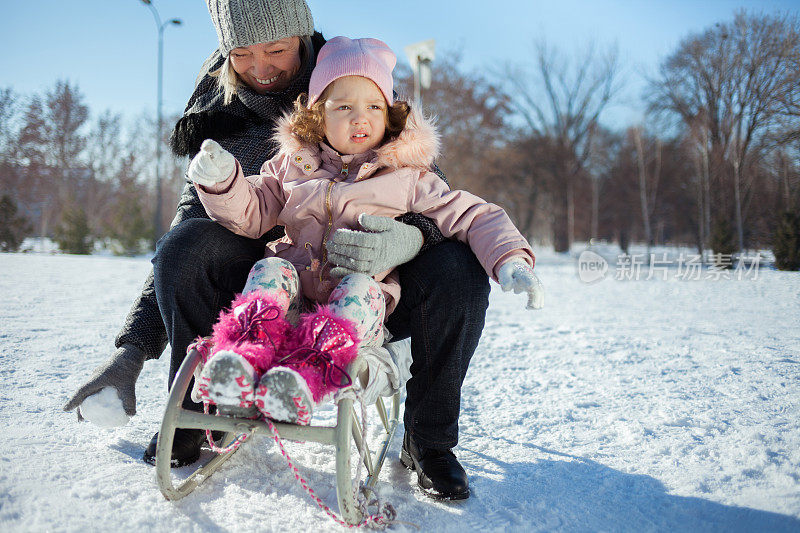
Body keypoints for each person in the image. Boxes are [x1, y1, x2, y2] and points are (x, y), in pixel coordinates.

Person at [59, 0, 523, 500]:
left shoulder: (351, 79)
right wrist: (132, 351)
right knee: (188, 245)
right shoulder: (225, 115)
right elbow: (196, 225)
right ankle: (202, 408)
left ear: (301, 37)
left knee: (459, 268)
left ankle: (429, 443)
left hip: (367, 283)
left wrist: (413, 236)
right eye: (240, 53)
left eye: (276, 49)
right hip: (280, 275)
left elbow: (442, 202)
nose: (260, 68)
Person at [189, 36, 544, 500]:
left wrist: (510, 259)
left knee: (363, 286)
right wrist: (222, 182)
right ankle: (241, 357)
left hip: (360, 307)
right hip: (294, 299)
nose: (360, 118)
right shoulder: (289, 166)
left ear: (390, 112)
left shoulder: (408, 176)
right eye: (343, 107)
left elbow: (474, 214)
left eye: (374, 106)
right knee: (269, 271)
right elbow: (252, 212)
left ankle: (312, 372)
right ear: (317, 114)